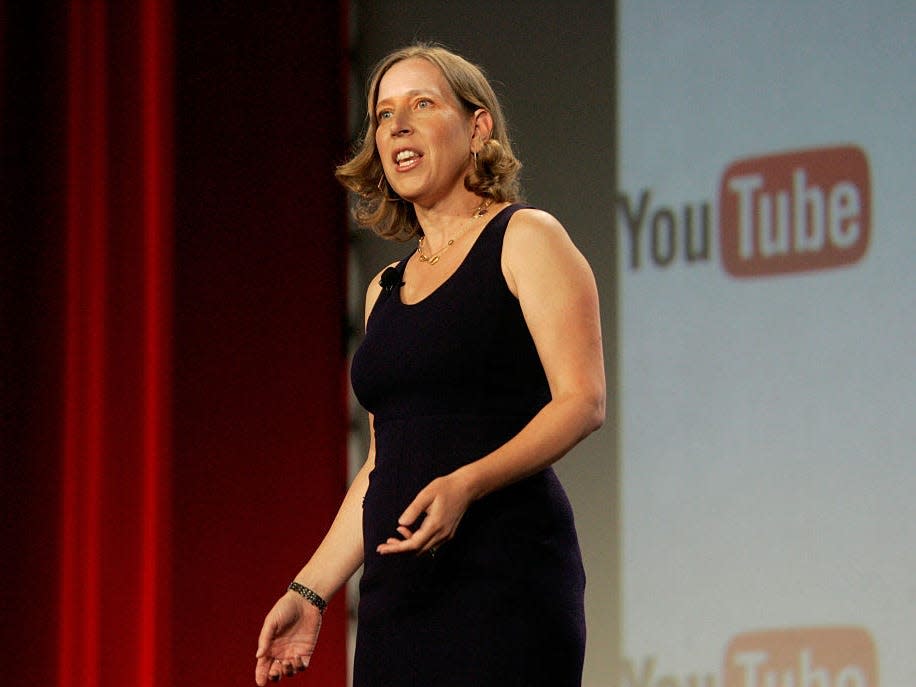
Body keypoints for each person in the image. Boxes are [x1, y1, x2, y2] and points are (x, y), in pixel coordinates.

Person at [255, 43, 605, 686]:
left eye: (422, 104)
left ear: (478, 128)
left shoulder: (526, 238)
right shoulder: (383, 288)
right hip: (401, 595)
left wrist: (466, 484)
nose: (399, 127)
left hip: (505, 577)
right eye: (384, 115)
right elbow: (381, 464)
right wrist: (309, 594)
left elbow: (582, 401)